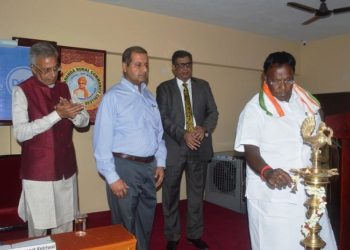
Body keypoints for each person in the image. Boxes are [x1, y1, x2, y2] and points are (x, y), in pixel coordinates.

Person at [234, 51, 337, 250]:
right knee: (277, 243)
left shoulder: (305, 101)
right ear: (265, 79)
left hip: (306, 189)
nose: (283, 87)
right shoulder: (255, 108)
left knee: (315, 237)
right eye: (276, 82)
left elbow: (319, 128)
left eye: (288, 80)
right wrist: (267, 172)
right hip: (273, 191)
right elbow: (250, 149)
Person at [12, 42, 90, 237]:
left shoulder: (66, 87)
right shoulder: (22, 91)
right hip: (38, 172)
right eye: (46, 70)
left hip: (66, 169)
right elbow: (20, 133)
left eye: (55, 68)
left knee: (64, 227)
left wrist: (73, 115)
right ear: (33, 68)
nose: (52, 74)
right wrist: (57, 115)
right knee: (38, 228)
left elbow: (84, 121)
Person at [93, 46, 166, 250]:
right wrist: (111, 177)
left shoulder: (150, 97)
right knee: (124, 224)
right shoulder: (112, 97)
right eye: (138, 64)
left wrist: (160, 162)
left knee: (145, 221)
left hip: (149, 168)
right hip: (124, 167)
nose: (143, 70)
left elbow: (158, 135)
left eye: (146, 65)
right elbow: (101, 142)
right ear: (125, 66)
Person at [156, 50, 219, 250]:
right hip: (175, 148)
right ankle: (172, 236)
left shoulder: (203, 86)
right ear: (173, 67)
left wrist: (203, 128)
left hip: (199, 148)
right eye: (181, 65)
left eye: (188, 64)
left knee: (195, 194)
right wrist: (184, 134)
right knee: (171, 194)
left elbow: (213, 112)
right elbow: (163, 118)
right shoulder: (164, 89)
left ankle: (194, 234)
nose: (185, 68)